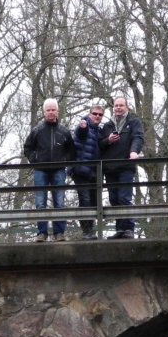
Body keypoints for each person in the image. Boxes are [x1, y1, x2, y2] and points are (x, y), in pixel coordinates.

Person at [22, 98, 76, 242]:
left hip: (58, 170)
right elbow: (27, 148)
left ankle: (59, 233)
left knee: (60, 202)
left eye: (53, 110)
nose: (51, 112)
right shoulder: (37, 130)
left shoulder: (64, 131)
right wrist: (35, 159)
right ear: (44, 112)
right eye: (48, 110)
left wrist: (65, 160)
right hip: (41, 170)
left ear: (57, 111)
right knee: (40, 202)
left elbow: (71, 151)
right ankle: (42, 233)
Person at [100, 95, 145, 238]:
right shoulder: (107, 126)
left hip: (125, 166)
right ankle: (119, 229)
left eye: (121, 105)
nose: (118, 108)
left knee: (124, 198)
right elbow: (99, 144)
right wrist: (108, 140)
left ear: (127, 107)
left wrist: (134, 151)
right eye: (116, 106)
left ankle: (129, 229)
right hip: (110, 167)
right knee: (114, 199)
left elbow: (138, 137)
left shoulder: (133, 122)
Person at [71, 101, 112, 240]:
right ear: (90, 114)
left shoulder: (98, 130)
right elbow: (80, 133)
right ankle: (86, 231)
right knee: (85, 200)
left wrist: (108, 140)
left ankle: (91, 230)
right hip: (81, 170)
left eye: (100, 115)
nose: (97, 116)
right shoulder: (85, 124)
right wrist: (82, 127)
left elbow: (100, 145)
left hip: (94, 172)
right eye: (95, 114)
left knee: (94, 202)